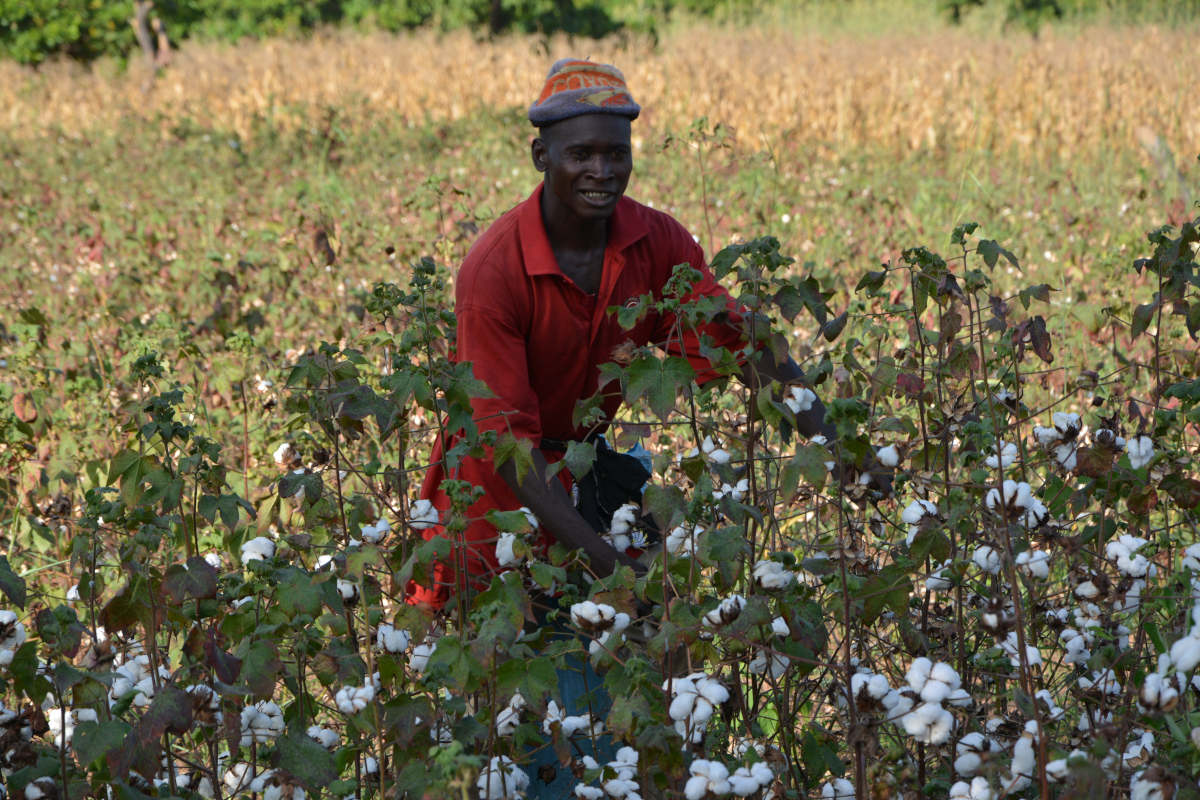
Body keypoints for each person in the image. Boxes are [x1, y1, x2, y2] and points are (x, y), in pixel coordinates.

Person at [405, 58, 886, 796]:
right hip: (494, 499)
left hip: (589, 473)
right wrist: (615, 568)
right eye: (581, 154)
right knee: (524, 714)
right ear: (541, 158)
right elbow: (508, 450)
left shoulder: (654, 241)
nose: (602, 170)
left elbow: (742, 341)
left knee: (639, 691)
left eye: (615, 153)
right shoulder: (494, 269)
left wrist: (840, 448)